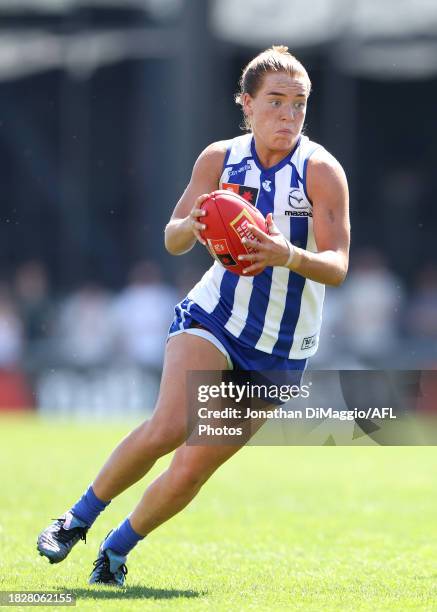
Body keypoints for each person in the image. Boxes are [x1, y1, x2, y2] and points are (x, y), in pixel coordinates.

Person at [37, 45, 350, 586]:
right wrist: (197, 224)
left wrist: (289, 255)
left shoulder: (321, 171)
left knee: (190, 469)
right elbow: (174, 235)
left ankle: (114, 551)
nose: (288, 115)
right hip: (214, 315)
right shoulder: (220, 159)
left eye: (299, 104)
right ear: (246, 104)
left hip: (280, 350)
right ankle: (75, 519)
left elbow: (338, 265)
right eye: (275, 102)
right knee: (170, 425)